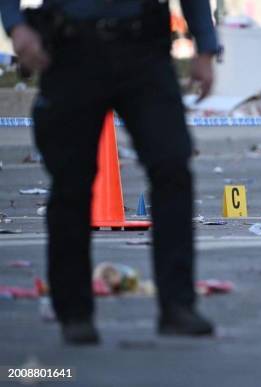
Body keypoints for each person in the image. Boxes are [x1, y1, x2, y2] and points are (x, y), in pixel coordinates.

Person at [0, 0, 221, 345]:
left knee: (172, 167)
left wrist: (205, 46)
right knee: (71, 182)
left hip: (143, 46)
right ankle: (73, 313)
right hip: (72, 47)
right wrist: (16, 25)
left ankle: (178, 306)